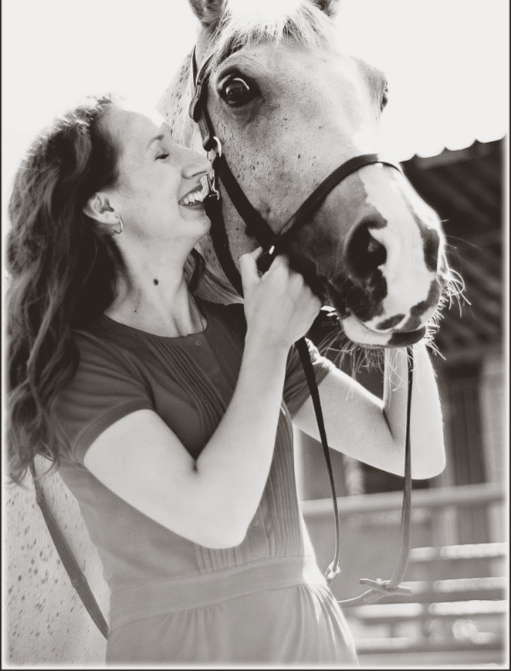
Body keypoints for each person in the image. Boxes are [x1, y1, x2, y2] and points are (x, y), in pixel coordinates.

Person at [6, 93, 446, 666]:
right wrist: (270, 340)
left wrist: (400, 300)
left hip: (314, 645)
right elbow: (214, 516)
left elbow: (412, 451)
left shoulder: (245, 326)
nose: (198, 161)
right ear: (104, 207)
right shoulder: (76, 366)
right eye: (162, 153)